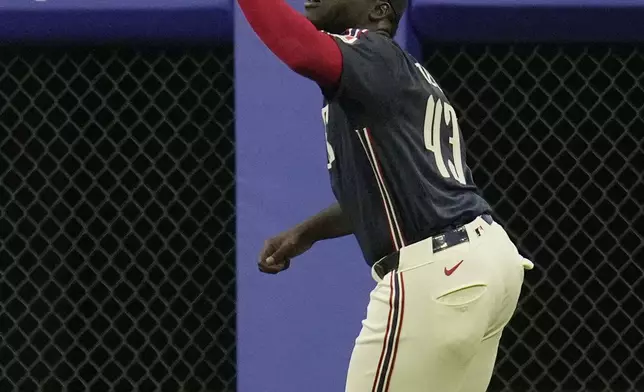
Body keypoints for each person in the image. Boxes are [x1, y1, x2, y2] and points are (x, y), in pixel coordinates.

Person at [238, 0, 534, 390]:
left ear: (378, 10)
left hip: (437, 274)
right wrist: (306, 232)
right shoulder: (401, 72)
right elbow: (395, 190)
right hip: (484, 261)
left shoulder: (370, 53)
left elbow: (299, 48)